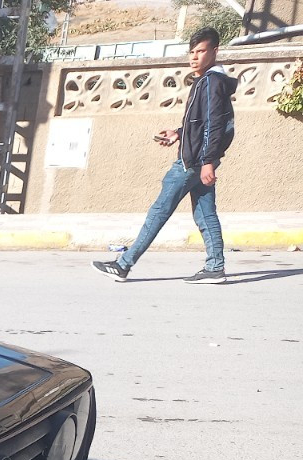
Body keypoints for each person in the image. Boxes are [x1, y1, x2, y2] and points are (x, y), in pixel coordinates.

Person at [94, 26, 236, 285]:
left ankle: (124, 265)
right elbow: (201, 123)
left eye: (201, 51)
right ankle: (215, 267)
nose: (194, 57)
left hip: (191, 162)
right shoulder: (209, 81)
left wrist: (206, 162)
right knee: (205, 214)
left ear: (214, 51)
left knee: (158, 211)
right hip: (198, 157)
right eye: (192, 52)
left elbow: (215, 124)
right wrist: (178, 133)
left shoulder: (211, 82)